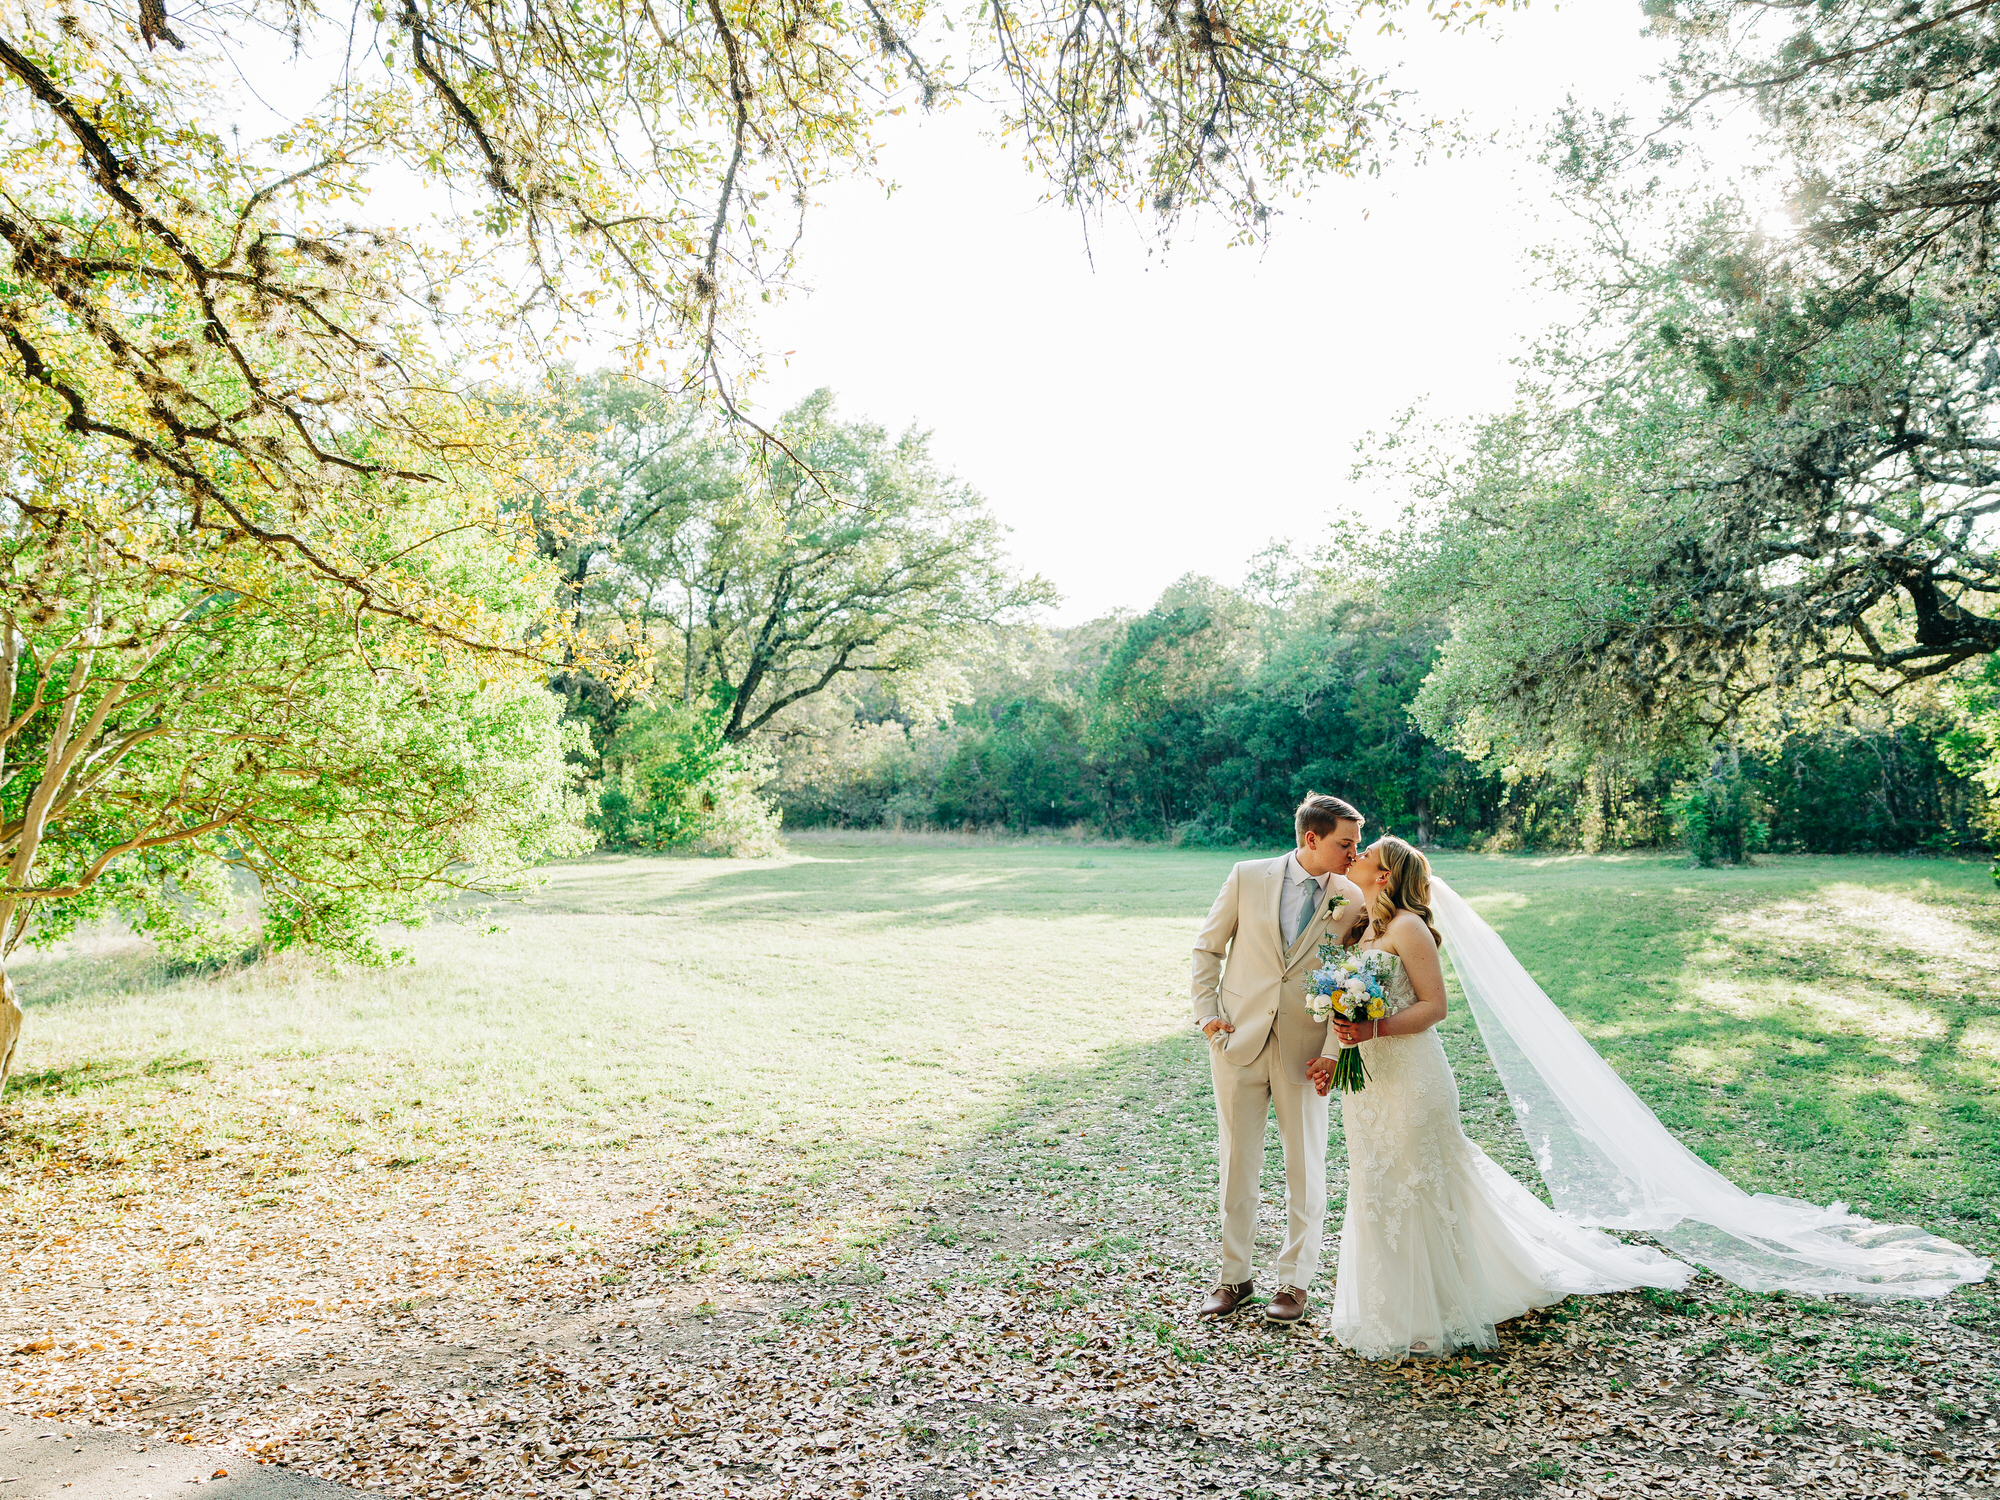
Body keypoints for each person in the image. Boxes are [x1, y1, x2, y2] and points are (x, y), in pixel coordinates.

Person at [1315, 836, 1690, 1359]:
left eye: (1366, 854)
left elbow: (1435, 1006)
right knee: (1378, 1180)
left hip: (1413, 1076)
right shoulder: (1366, 928)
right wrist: (1341, 1045)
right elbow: (1351, 1004)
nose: (1354, 856)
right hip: (1370, 1083)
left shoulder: (1407, 927)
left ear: (1384, 875)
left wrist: (1374, 1033)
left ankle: (1437, 1306)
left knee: (1420, 1180)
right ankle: (1393, 1304)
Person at [1189, 793, 1373, 1325]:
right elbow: (1207, 949)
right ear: (1310, 839)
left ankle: (1294, 1283)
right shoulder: (1247, 876)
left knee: (1306, 1168)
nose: (1353, 853)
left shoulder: (1352, 897)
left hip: (1308, 1051)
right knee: (1236, 1165)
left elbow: (1356, 980)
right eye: (1345, 843)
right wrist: (1207, 1016)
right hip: (1238, 1042)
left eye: (1356, 844)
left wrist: (1336, 1052)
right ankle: (1234, 1277)